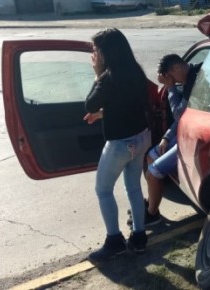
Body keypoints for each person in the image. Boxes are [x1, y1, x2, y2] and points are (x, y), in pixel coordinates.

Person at [83, 27, 151, 262]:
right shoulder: (135, 71)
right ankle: (139, 238)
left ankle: (114, 241)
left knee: (103, 190)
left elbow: (90, 104)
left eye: (95, 50)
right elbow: (127, 104)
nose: (94, 54)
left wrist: (97, 74)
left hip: (121, 143)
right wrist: (104, 115)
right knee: (134, 187)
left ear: (105, 53)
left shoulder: (108, 77)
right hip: (142, 137)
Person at [129, 54, 200, 227]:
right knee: (151, 156)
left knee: (153, 173)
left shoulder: (195, 79)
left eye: (170, 77)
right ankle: (152, 204)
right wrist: (167, 137)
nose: (173, 82)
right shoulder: (188, 76)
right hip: (184, 132)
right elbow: (182, 119)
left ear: (176, 69)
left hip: (196, 138)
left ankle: (152, 215)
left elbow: (180, 114)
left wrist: (170, 88)